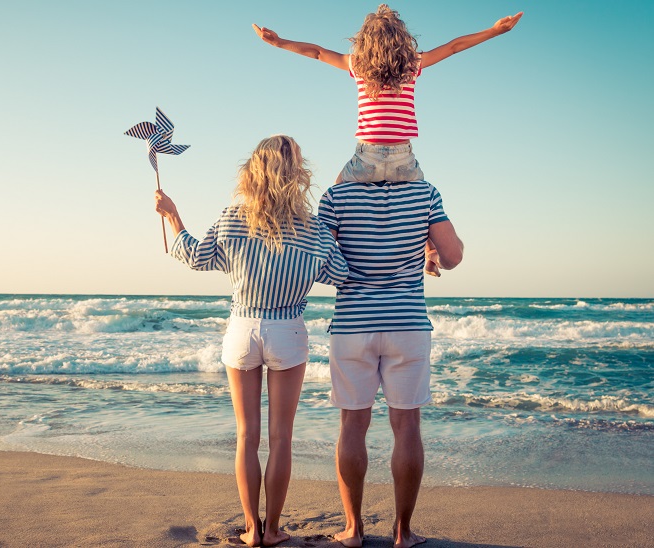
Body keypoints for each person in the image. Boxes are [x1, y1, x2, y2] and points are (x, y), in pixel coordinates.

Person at [154, 134, 348, 547]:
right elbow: (341, 274)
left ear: (253, 171)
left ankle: (250, 530)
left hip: (243, 330)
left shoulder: (233, 217)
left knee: (247, 436)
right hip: (289, 332)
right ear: (297, 174)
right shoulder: (312, 229)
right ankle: (274, 528)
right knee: (281, 438)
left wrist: (173, 217)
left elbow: (197, 257)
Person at [253, 5, 520, 277]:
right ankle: (430, 254)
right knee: (426, 210)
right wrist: (495, 31)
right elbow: (453, 47)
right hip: (403, 160)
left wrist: (279, 42)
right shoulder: (413, 64)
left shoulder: (356, 64)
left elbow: (317, 52)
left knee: (334, 198)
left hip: (366, 158)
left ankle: (319, 257)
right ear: (402, 39)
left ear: (365, 41)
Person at [317, 177, 463, 548]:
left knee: (352, 424)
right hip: (406, 324)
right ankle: (403, 532)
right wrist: (428, 246)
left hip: (352, 326)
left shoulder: (336, 195)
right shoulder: (425, 193)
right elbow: (454, 256)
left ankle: (352, 530)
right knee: (407, 424)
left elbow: (320, 261)